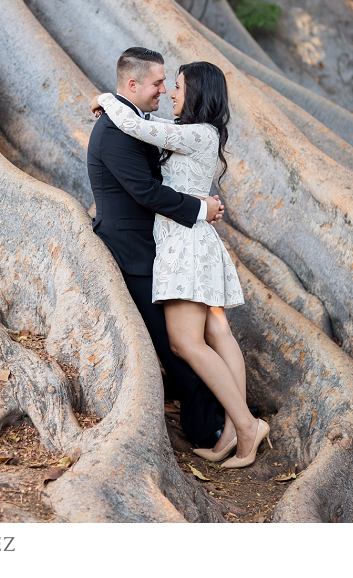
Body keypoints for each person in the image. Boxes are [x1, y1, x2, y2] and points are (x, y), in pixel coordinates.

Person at [91, 56, 269, 469]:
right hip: (185, 240)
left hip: (185, 244)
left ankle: (244, 426)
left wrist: (106, 98)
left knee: (186, 343)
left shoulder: (197, 135)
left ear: (196, 93)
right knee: (218, 332)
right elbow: (142, 135)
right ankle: (230, 430)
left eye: (178, 85)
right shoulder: (185, 132)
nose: (170, 90)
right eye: (165, 83)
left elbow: (136, 127)